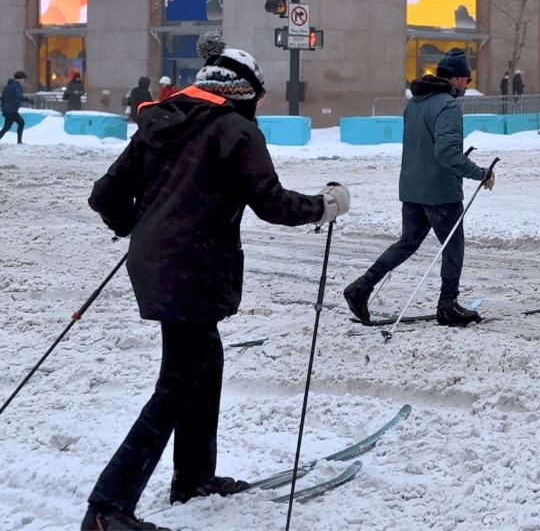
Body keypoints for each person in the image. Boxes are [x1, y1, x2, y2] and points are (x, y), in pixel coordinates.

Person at [82, 47, 350, 531]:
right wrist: (324, 206)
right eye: (259, 99)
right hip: (196, 267)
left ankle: (193, 478)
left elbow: (105, 195)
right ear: (243, 94)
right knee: (176, 385)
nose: (259, 107)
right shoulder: (236, 130)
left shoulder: (159, 122)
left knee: (205, 367)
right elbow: (272, 203)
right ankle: (107, 506)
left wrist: (137, 226)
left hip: (159, 263)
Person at [343, 48, 495, 328]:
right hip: (440, 192)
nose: (467, 85)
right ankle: (447, 305)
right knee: (452, 245)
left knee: (408, 242)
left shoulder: (415, 103)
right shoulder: (448, 106)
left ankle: (361, 287)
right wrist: (480, 173)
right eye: (466, 79)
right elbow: (446, 153)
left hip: (412, 188)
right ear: (456, 79)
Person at [1, 70, 33, 144]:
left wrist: (4, 108)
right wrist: (29, 100)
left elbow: (2, 98)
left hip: (8, 110)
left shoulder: (8, 86)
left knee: (7, 127)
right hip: (11, 110)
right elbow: (19, 97)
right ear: (20, 79)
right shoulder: (16, 86)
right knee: (20, 123)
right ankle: (19, 142)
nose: (24, 80)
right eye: (23, 78)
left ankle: (19, 142)